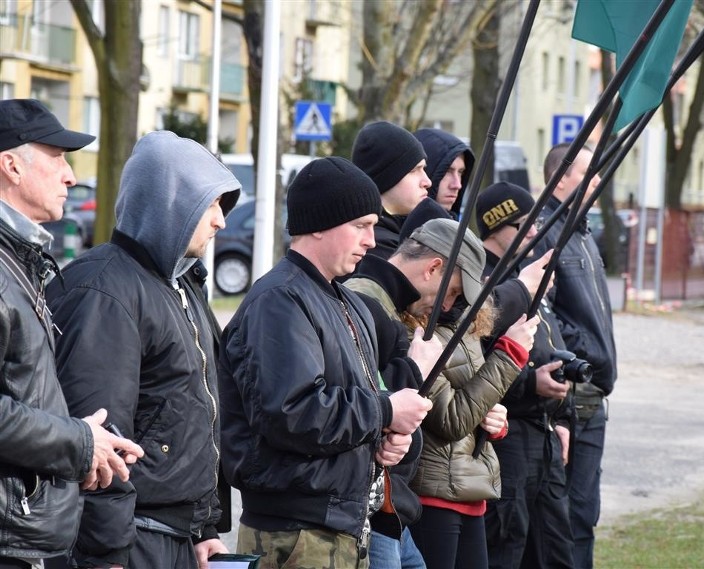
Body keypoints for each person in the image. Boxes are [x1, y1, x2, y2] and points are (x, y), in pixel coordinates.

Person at [218, 156, 433, 567]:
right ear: (319, 224)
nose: (372, 241)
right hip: (297, 535)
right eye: (361, 225)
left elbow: (358, 400)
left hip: (344, 527)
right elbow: (293, 413)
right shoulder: (279, 302)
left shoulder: (347, 301)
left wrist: (385, 437)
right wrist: (386, 410)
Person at [46, 130, 241, 569]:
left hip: (174, 538)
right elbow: (99, 437)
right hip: (132, 541)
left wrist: (204, 528)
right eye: (211, 204)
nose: (221, 222)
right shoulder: (105, 291)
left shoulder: (181, 285)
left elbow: (191, 413)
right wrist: (108, 553)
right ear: (173, 202)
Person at [0, 99, 144, 569]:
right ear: (11, 165)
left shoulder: (21, 259)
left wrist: (81, 444)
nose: (70, 175)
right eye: (58, 157)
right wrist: (79, 443)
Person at [345, 213, 484, 569]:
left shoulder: (390, 304)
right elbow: (369, 405)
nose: (450, 307)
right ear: (434, 267)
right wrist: (417, 369)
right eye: (452, 292)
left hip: (392, 510)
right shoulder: (368, 301)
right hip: (371, 512)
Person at [403, 218, 539, 569]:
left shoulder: (465, 329)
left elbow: (478, 401)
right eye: (453, 292)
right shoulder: (417, 335)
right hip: (433, 495)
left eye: (460, 296)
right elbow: (450, 420)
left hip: (471, 488)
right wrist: (510, 355)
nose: (451, 304)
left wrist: (496, 420)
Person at [477, 182, 574, 569]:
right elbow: (473, 364)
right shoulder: (480, 284)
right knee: (506, 547)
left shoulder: (527, 276)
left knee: (554, 550)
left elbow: (552, 346)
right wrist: (531, 384)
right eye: (525, 223)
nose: (535, 231)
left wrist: (563, 417)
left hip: (545, 433)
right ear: (495, 227)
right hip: (507, 439)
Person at [536, 143, 615, 568]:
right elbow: (543, 314)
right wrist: (579, 351)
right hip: (572, 391)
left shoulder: (581, 231)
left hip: (595, 392)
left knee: (584, 513)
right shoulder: (549, 232)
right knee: (565, 518)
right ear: (563, 176)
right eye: (591, 172)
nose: (599, 181)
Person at [352, 121, 431, 259]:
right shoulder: (376, 248)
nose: (427, 182)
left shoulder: (401, 233)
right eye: (414, 170)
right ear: (387, 178)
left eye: (423, 169)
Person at [413, 128, 474, 218]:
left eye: (460, 172)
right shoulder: (393, 230)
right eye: (447, 171)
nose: (457, 185)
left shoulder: (454, 229)